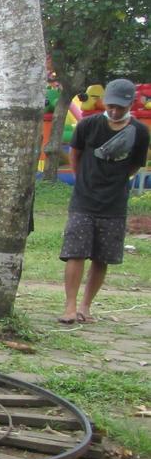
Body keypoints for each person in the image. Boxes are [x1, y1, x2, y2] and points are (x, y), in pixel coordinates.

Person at [59, 78, 149, 324]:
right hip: (83, 200)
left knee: (102, 256)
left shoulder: (139, 132)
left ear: (130, 103)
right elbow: (74, 155)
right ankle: (69, 306)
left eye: (120, 106)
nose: (114, 110)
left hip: (114, 203)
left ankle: (86, 307)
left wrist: (114, 181)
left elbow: (134, 165)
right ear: (104, 101)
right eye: (111, 105)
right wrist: (84, 180)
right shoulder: (88, 125)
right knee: (75, 252)